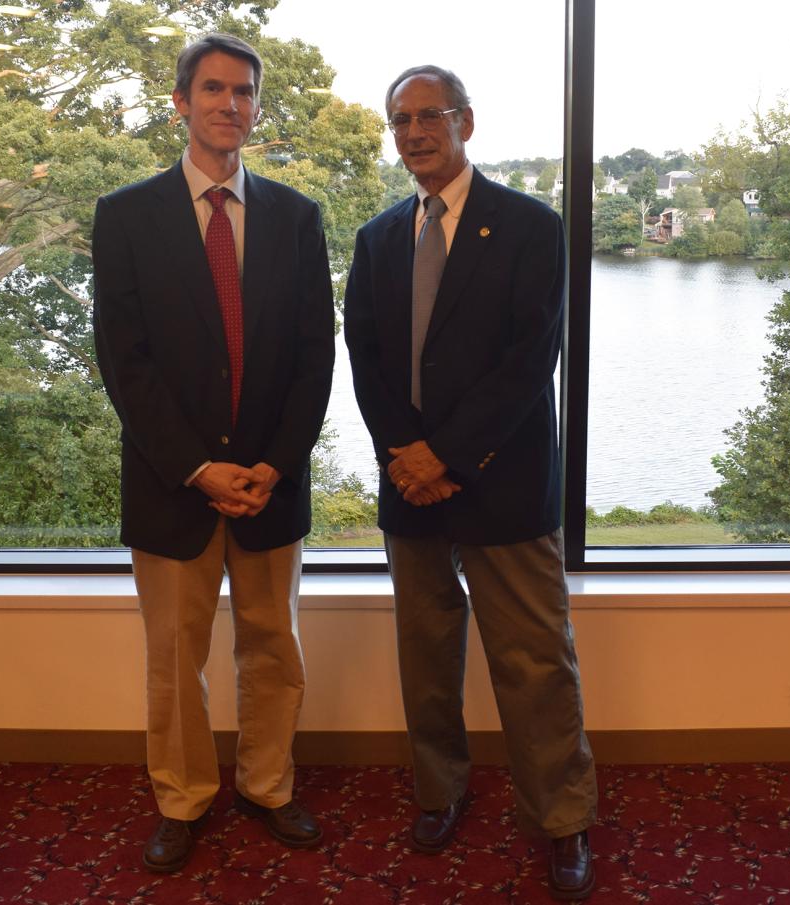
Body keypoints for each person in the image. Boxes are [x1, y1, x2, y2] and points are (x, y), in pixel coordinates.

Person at [344, 64, 598, 900]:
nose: (415, 132)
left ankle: (560, 818)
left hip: (502, 480)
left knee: (534, 661)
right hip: (408, 484)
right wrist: (406, 454)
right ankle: (440, 791)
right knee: (426, 653)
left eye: (430, 116)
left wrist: (445, 456)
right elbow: (368, 359)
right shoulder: (380, 237)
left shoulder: (529, 225)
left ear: (466, 122)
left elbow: (531, 358)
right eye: (401, 120)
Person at [92, 33, 335, 874]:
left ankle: (268, 786)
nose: (230, 105)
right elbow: (126, 364)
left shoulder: (298, 219)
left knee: (275, 650)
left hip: (271, 483)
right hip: (172, 486)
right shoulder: (125, 216)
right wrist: (197, 466)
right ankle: (183, 797)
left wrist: (274, 461)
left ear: (258, 108)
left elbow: (315, 354)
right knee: (175, 663)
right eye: (214, 90)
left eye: (244, 93)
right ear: (180, 102)